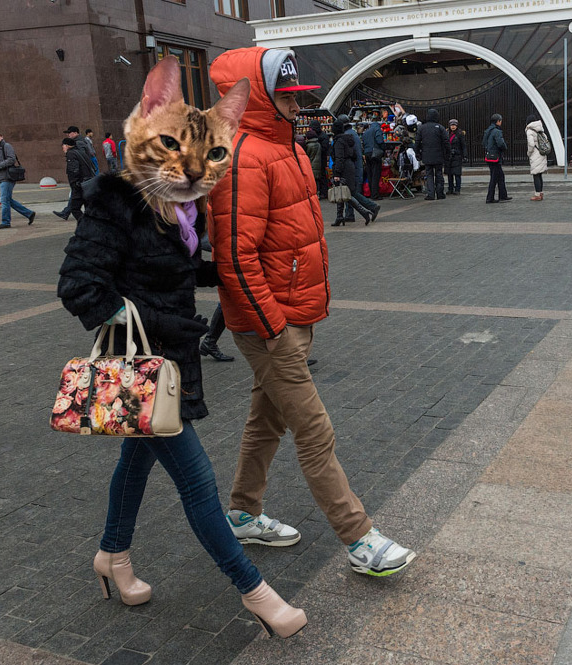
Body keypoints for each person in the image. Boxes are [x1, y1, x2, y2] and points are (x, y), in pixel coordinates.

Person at [57, 55, 305, 638]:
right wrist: (138, 323)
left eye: (212, 154)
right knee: (197, 483)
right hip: (143, 366)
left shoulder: (179, 209)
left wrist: (225, 272)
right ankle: (257, 594)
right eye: (171, 146)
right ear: (143, 120)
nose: (191, 167)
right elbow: (78, 285)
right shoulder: (118, 199)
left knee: (136, 463)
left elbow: (166, 274)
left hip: (172, 362)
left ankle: (112, 557)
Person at [208, 46, 416, 577]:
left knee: (266, 422)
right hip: (270, 323)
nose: (296, 105)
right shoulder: (244, 155)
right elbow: (234, 255)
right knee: (314, 429)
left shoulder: (288, 147)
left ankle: (241, 513)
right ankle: (358, 537)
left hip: (292, 313)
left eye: (298, 95)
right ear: (256, 95)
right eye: (284, 94)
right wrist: (274, 327)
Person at [331, 115, 379, 225]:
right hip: (351, 167)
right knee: (346, 192)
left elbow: (339, 157)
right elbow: (354, 154)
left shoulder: (340, 140)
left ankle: (368, 210)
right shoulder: (351, 136)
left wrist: (337, 172)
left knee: (348, 193)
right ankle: (344, 216)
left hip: (345, 169)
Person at [0, 130, 35, 229]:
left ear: (1, 137)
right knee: (8, 199)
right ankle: (29, 213)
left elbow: (11, 159)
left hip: (8, 176)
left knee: (4, 200)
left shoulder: (6, 146)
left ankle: (6, 222)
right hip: (2, 176)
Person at [55, 126, 98, 219]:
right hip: (85, 180)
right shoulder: (80, 144)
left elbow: (75, 169)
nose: (68, 135)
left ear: (75, 133)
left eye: (69, 133)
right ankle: (68, 213)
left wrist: (75, 183)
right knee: (85, 205)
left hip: (81, 181)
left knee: (76, 206)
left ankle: (83, 224)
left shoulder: (77, 145)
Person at [414, 108, 446, 201]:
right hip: (438, 155)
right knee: (439, 174)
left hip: (426, 155)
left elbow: (417, 142)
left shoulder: (422, 128)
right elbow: (446, 141)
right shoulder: (440, 127)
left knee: (429, 174)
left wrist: (418, 153)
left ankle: (430, 194)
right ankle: (440, 193)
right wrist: (446, 153)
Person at [62, 137, 95, 222]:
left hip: (79, 185)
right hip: (88, 184)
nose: (62, 148)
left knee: (75, 209)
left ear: (67, 146)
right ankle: (91, 226)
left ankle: (85, 227)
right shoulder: (81, 152)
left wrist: (74, 184)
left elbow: (74, 170)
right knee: (88, 209)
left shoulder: (71, 154)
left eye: (63, 146)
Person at [484, 113, 510, 203]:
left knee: (499, 176)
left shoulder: (488, 131)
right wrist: (505, 148)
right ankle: (490, 197)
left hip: (489, 156)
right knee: (495, 178)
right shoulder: (497, 131)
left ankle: (503, 195)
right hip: (495, 157)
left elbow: (484, 143)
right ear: (498, 121)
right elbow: (501, 143)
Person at [524, 114, 547, 202]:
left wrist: (529, 153)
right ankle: (540, 193)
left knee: (536, 175)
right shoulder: (540, 129)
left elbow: (531, 144)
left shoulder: (530, 131)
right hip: (542, 153)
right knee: (539, 174)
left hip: (535, 154)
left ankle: (537, 194)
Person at [361, 119, 386, 200]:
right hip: (375, 153)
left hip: (367, 153)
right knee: (376, 174)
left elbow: (363, 143)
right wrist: (383, 149)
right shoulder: (377, 129)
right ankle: (375, 195)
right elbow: (380, 141)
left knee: (370, 174)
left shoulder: (366, 132)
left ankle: (372, 193)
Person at [309, 119, 330, 199]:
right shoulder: (323, 136)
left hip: (320, 160)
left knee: (322, 177)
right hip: (321, 159)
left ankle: (323, 192)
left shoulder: (321, 137)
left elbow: (324, 149)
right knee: (322, 176)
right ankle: (323, 192)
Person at [444, 118, 465, 196]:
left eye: (454, 125)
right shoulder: (446, 133)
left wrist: (464, 155)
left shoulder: (460, 134)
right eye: (451, 125)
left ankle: (457, 189)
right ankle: (450, 188)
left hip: (457, 156)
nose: (453, 127)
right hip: (449, 156)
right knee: (449, 174)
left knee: (457, 174)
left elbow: (463, 145)